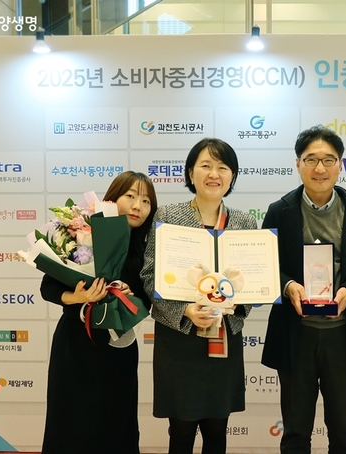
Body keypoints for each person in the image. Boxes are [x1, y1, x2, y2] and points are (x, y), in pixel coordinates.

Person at [260, 125, 346, 454]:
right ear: (298, 164)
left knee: (345, 435)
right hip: (295, 335)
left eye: (328, 160)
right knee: (295, 434)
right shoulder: (279, 211)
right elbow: (264, 265)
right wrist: (288, 286)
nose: (320, 168)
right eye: (311, 159)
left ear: (341, 165)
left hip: (344, 337)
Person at [140, 138, 257, 454]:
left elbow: (254, 281)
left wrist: (239, 301)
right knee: (181, 429)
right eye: (206, 165)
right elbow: (149, 275)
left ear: (232, 176)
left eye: (223, 167)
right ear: (191, 173)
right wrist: (185, 310)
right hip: (181, 339)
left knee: (218, 429)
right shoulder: (167, 216)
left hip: (224, 339)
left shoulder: (245, 222)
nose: (214, 174)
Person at [40, 171, 158, 454]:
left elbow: (147, 301)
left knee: (115, 424)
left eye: (146, 201)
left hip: (118, 349)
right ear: (112, 199)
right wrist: (78, 297)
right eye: (130, 196)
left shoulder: (148, 250)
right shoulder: (83, 235)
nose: (138, 206)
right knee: (70, 423)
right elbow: (48, 287)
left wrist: (129, 296)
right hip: (74, 347)